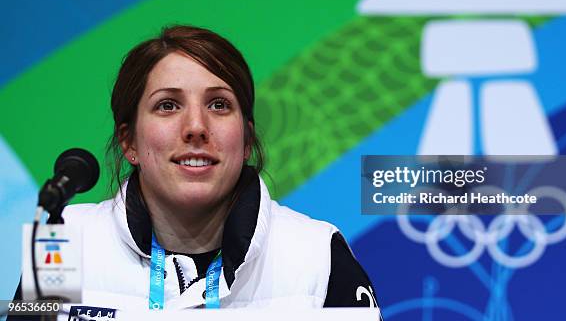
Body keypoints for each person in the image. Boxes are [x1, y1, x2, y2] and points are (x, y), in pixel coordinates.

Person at [14, 25, 381, 315]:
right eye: (168, 105)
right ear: (129, 143)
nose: (196, 126)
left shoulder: (316, 255)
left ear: (247, 139)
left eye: (219, 104)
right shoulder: (63, 240)